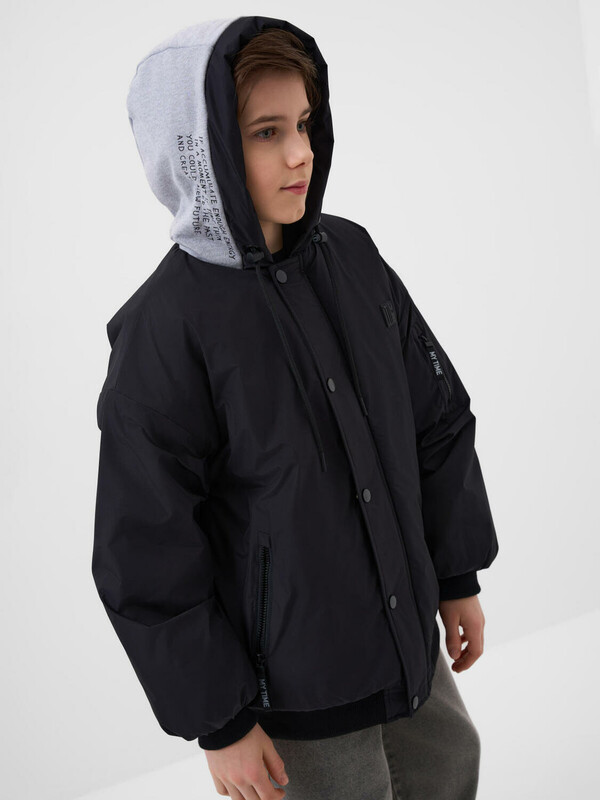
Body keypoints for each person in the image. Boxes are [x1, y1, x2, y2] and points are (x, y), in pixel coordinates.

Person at [91, 16, 499, 800]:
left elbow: (437, 420)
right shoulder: (166, 329)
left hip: (407, 649)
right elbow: (145, 549)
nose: (300, 153)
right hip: (296, 697)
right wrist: (219, 721)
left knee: (451, 767)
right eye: (266, 132)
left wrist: (456, 573)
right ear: (201, 150)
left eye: (305, 124)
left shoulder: (354, 258)